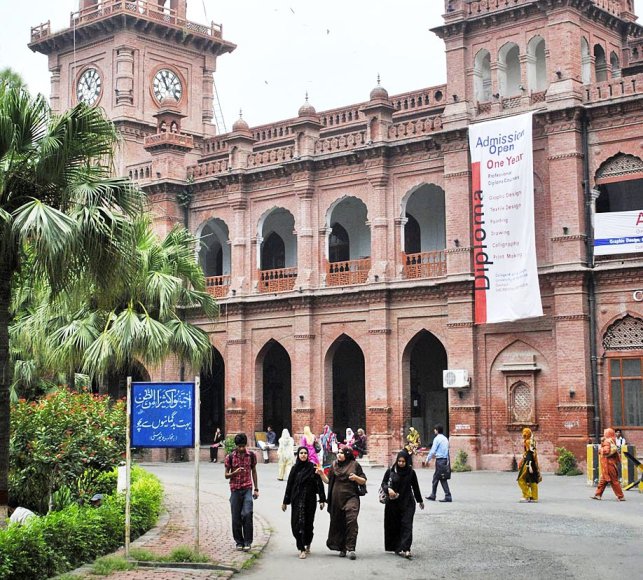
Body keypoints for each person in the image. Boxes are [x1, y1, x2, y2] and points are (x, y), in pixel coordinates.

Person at [319, 446, 367, 560]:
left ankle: (351, 548)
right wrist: (321, 474)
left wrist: (355, 478)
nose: (339, 454)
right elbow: (328, 481)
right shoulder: (334, 465)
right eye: (338, 453)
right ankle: (342, 547)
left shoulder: (355, 465)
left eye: (341, 453)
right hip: (336, 499)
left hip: (351, 497)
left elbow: (363, 480)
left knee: (352, 520)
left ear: (347, 454)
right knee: (339, 522)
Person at [281, 446, 327, 559]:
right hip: (296, 500)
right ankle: (300, 548)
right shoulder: (294, 468)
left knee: (308, 524)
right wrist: (285, 502)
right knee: (297, 524)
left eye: (305, 453)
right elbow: (289, 485)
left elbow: (319, 484)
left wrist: (322, 499)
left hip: (310, 500)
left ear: (308, 455)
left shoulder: (312, 468)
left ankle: (307, 543)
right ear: (298, 455)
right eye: (301, 453)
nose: (303, 455)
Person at [381, 449, 424, 559]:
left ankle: (406, 549)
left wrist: (420, 501)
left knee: (407, 525)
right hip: (393, 504)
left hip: (407, 502)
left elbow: (415, 487)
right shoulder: (391, 471)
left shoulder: (410, 472)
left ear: (407, 461)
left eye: (403, 461)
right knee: (395, 525)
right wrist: (388, 490)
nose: (400, 463)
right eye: (399, 461)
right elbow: (383, 484)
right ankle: (398, 547)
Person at [225, 433, 259, 551]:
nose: (241, 448)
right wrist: (234, 473)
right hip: (235, 489)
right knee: (236, 517)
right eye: (239, 446)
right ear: (236, 446)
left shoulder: (251, 456)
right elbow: (226, 475)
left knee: (247, 513)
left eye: (243, 446)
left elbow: (254, 471)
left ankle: (248, 541)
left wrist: (256, 489)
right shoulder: (230, 457)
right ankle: (239, 541)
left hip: (247, 488)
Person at [591, 427, 625, 501]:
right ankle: (598, 495)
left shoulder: (607, 441)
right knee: (603, 480)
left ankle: (621, 496)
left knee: (614, 481)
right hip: (611, 463)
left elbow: (606, 451)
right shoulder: (613, 440)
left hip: (608, 464)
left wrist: (600, 449)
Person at [424, 424, 452, 502]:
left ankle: (448, 496)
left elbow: (433, 450)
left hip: (440, 460)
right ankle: (433, 495)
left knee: (442, 478)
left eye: (435, 429)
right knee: (436, 478)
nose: (434, 431)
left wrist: (427, 459)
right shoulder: (445, 439)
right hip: (445, 460)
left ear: (437, 430)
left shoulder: (437, 439)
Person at [517, 427, 541, 503]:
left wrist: (529, 463)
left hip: (528, 462)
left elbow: (530, 453)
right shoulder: (532, 440)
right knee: (532, 479)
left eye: (525, 433)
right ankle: (534, 497)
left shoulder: (528, 441)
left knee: (521, 479)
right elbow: (532, 453)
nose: (524, 434)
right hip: (531, 462)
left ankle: (527, 495)